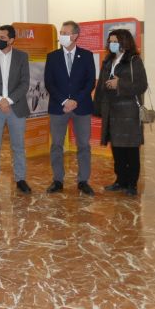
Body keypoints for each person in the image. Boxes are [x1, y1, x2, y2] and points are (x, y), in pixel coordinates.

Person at [93, 29, 148, 197]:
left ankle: (132, 184)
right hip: (111, 110)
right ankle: (120, 180)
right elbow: (101, 86)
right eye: (110, 41)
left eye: (115, 41)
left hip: (129, 112)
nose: (112, 44)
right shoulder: (108, 61)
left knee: (130, 150)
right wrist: (97, 107)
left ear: (125, 42)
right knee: (117, 149)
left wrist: (120, 84)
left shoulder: (134, 61)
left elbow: (142, 85)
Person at [44, 21, 96, 196]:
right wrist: (64, 101)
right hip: (58, 108)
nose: (61, 36)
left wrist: (75, 100)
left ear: (75, 35)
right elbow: (49, 83)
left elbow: (90, 82)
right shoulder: (52, 57)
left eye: (65, 33)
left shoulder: (87, 55)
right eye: (61, 32)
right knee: (56, 145)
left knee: (84, 145)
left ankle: (83, 181)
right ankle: (58, 180)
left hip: (81, 107)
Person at [0, 25, 31, 195]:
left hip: (16, 108)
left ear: (11, 40)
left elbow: (25, 83)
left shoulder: (22, 57)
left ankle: (20, 179)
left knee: (18, 146)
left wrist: (8, 100)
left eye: (2, 38)